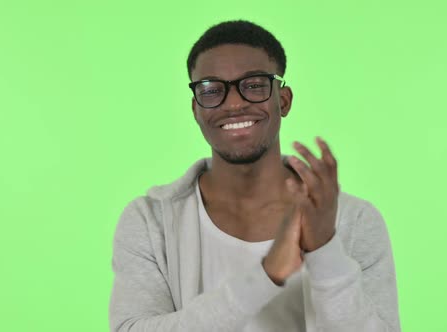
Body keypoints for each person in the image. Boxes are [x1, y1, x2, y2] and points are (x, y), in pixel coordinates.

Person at [109, 20, 400, 332]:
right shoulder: (151, 221)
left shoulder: (354, 220)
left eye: (254, 85)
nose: (233, 103)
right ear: (196, 109)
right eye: (211, 89)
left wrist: (324, 250)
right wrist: (264, 277)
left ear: (283, 100)